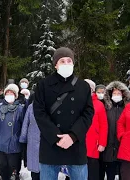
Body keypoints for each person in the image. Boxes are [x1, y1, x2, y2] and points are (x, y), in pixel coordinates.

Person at [33, 47, 93, 180]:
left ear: (73, 63)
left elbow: (88, 113)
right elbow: (39, 112)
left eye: (69, 61)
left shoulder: (83, 86)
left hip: (76, 145)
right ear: (55, 64)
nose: (66, 64)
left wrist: (73, 136)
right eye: (62, 61)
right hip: (51, 145)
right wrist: (56, 137)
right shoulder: (43, 85)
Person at [101, 81, 130, 180]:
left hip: (123, 145)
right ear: (110, 94)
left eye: (119, 93)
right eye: (114, 93)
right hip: (108, 145)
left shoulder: (127, 108)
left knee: (123, 172)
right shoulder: (106, 107)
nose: (116, 95)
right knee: (110, 172)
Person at [0, 84, 25, 180]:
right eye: (7, 93)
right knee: (3, 166)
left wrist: (19, 138)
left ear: (15, 95)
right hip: (1, 142)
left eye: (11, 93)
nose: (9, 94)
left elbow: (23, 124)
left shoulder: (20, 108)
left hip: (14, 143)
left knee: (13, 167)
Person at [85, 80, 108, 180]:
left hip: (93, 143)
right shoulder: (75, 102)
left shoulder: (99, 104)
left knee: (92, 172)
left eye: (89, 88)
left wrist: (102, 143)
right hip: (77, 143)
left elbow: (104, 125)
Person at [19, 97, 40, 180]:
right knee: (35, 168)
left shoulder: (52, 105)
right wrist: (23, 138)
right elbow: (26, 122)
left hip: (48, 141)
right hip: (33, 140)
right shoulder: (31, 107)